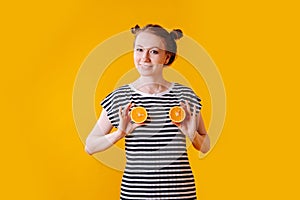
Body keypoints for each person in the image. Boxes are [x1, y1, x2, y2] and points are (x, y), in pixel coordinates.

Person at [85, 24, 210, 200]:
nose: (144, 58)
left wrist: (192, 135)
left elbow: (205, 145)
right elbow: (90, 146)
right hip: (136, 195)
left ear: (167, 57)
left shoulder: (185, 96)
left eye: (154, 52)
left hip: (181, 194)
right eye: (139, 50)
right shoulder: (120, 97)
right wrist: (119, 134)